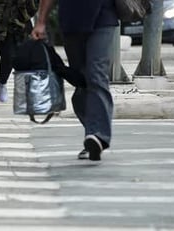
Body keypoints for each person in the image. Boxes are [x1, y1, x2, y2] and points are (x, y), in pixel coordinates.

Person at [31, 0, 118, 161]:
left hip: (103, 17)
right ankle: (91, 134)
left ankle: (98, 135)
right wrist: (41, 22)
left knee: (96, 75)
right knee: (81, 80)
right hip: (72, 22)